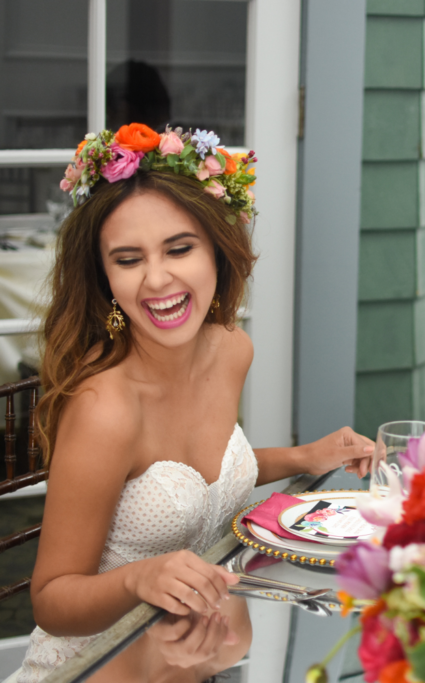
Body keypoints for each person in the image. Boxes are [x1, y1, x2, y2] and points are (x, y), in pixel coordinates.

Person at [14, 124, 372, 683]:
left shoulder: (232, 350)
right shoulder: (104, 406)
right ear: (105, 278)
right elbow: (52, 601)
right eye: (128, 260)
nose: (158, 279)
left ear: (217, 251)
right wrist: (139, 579)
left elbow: (202, 474)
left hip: (205, 661)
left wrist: (303, 457)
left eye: (179, 248)